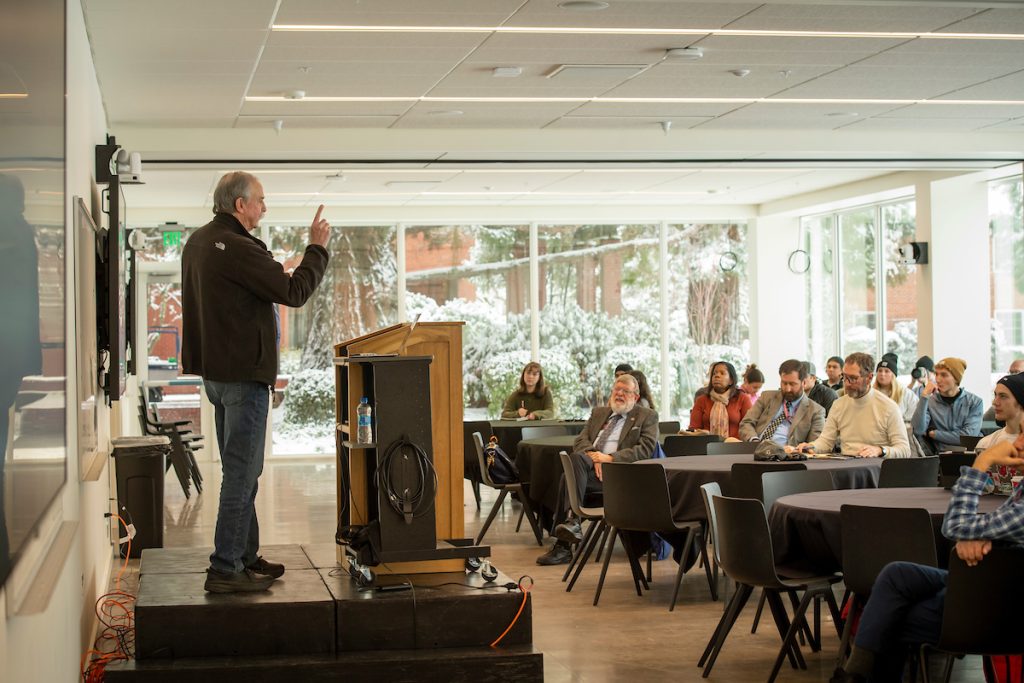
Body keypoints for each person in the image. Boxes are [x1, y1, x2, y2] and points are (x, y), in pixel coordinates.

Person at [182, 171, 330, 593]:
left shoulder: (199, 242)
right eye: (260, 200)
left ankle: (245, 556)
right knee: (242, 474)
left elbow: (230, 297)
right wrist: (317, 249)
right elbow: (295, 292)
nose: (264, 207)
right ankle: (225, 568)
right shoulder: (239, 247)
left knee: (240, 470)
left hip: (216, 375)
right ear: (240, 204)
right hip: (244, 378)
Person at [829, 430, 1024, 683]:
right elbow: (975, 528)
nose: (1017, 442)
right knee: (897, 575)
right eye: (1021, 432)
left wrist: (981, 463)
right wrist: (984, 535)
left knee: (890, 616)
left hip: (998, 604)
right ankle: (855, 675)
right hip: (984, 583)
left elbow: (955, 525)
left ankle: (853, 676)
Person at [536, 374, 658, 565]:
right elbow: (580, 441)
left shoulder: (647, 416)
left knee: (567, 478)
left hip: (619, 476)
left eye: (625, 391)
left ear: (635, 396)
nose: (619, 394)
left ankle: (565, 541)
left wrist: (609, 458)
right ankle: (572, 523)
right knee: (576, 461)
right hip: (591, 470)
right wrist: (596, 458)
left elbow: (645, 449)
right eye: (616, 389)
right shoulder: (599, 413)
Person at [794, 352, 911, 458]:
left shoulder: (888, 407)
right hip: (847, 465)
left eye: (853, 378)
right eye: (844, 377)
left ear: (869, 378)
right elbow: (825, 442)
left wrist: (881, 450)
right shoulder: (839, 405)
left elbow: (904, 450)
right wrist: (810, 446)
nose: (847, 383)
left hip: (876, 468)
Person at [739, 359, 825, 447]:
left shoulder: (816, 411)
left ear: (803, 383)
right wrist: (754, 441)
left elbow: (814, 445)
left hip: (787, 453)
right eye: (784, 383)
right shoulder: (766, 397)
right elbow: (746, 423)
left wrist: (796, 450)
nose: (788, 389)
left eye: (792, 384)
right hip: (756, 448)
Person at [910, 357, 983, 453]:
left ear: (956, 379)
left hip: (969, 456)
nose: (938, 379)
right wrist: (924, 397)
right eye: (936, 374)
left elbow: (968, 437)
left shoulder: (974, 402)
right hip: (939, 457)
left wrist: (934, 434)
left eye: (944, 375)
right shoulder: (930, 402)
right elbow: (917, 430)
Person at [688, 361, 753, 440]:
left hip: (735, 445)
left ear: (731, 380)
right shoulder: (702, 400)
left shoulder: (742, 399)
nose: (717, 376)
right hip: (707, 444)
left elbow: (749, 427)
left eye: (722, 373)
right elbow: (694, 429)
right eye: (714, 373)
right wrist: (703, 434)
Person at [976, 373, 1024, 451]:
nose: (995, 402)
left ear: (1020, 402)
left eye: (1003, 396)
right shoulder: (985, 444)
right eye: (995, 395)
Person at [873, 353, 918, 423]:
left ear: (893, 375)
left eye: (886, 371)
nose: (882, 374)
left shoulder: (906, 393)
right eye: (880, 370)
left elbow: (915, 414)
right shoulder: (872, 393)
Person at [982, 358, 1024, 423]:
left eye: (1016, 372)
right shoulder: (995, 410)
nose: (1011, 375)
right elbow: (982, 426)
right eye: (1011, 372)